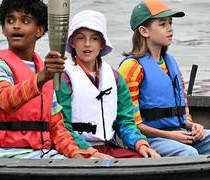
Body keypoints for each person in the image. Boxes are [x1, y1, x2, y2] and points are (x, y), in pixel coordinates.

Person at [0, 0, 109, 159]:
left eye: (25, 21)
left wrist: (78, 156)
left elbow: (56, 127)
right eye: (10, 20)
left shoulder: (43, 70)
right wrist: (42, 78)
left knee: (89, 163)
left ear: (39, 30)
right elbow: (3, 99)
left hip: (41, 153)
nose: (16, 26)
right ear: (3, 30)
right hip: (3, 153)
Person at [118, 0, 210, 157]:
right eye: (162, 24)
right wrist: (170, 136)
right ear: (144, 31)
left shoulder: (171, 63)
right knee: (188, 153)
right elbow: (131, 123)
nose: (170, 28)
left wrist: (193, 126)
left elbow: (184, 113)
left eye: (170, 23)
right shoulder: (132, 67)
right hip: (149, 139)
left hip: (179, 132)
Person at [57, 10, 160, 159]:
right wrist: (92, 153)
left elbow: (126, 122)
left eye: (94, 38)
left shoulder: (115, 77)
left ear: (102, 43)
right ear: (72, 42)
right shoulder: (63, 77)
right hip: (78, 150)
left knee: (144, 159)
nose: (87, 44)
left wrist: (140, 144)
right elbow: (63, 127)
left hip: (109, 147)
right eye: (80, 38)